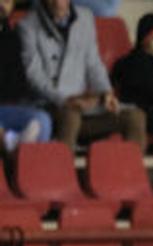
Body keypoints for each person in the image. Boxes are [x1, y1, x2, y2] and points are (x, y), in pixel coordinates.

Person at [18, 0, 146, 149]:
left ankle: (129, 170)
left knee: (135, 117)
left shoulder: (85, 18)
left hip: (83, 105)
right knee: (70, 117)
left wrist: (105, 93)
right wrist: (66, 100)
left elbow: (93, 63)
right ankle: (60, 168)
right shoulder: (27, 25)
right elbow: (34, 75)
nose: (59, 3)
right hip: (50, 103)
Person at [0, 0, 52, 150]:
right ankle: (10, 142)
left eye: (7, 1)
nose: (2, 5)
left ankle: (22, 161)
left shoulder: (17, 37)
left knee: (42, 120)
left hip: (12, 108)